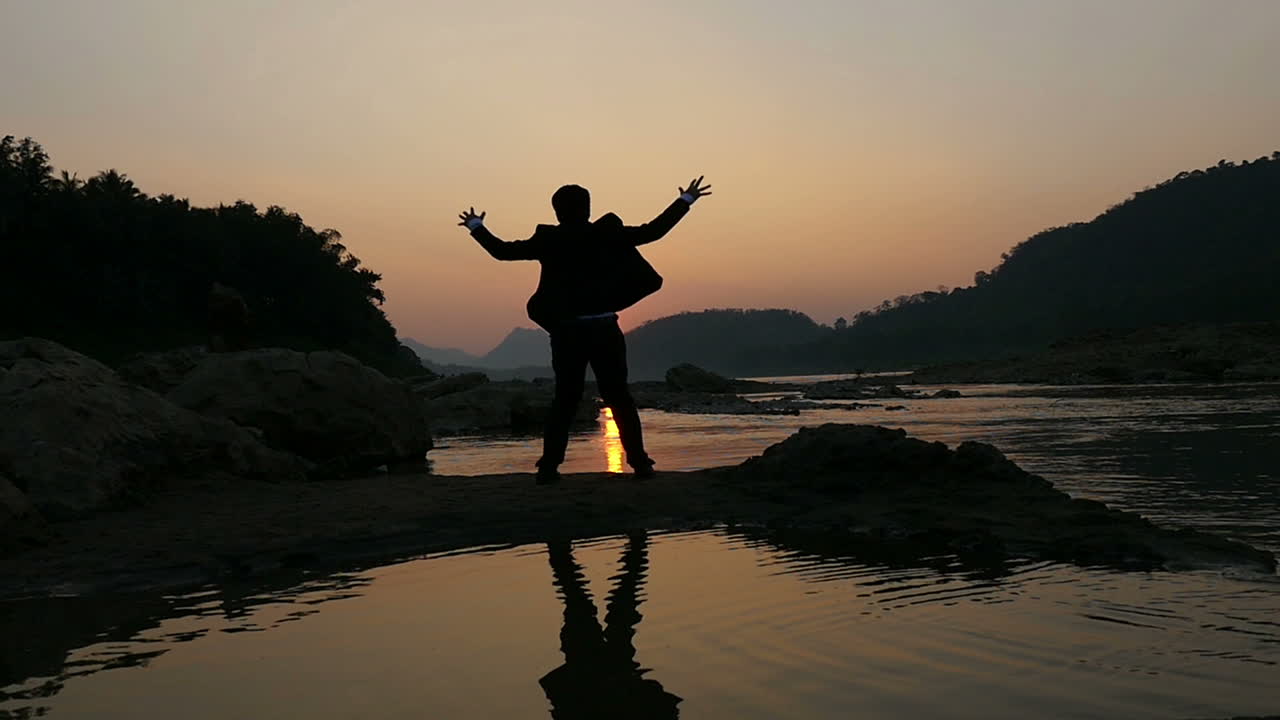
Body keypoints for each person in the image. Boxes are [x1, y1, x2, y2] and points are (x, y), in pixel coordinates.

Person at [459, 177, 711, 483]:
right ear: (588, 208)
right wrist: (685, 200)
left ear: (556, 212)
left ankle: (549, 468)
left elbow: (502, 251)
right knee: (619, 397)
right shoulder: (606, 234)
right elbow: (653, 231)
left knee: (565, 399)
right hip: (604, 328)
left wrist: (476, 226)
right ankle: (640, 464)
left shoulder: (549, 240)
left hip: (567, 332)